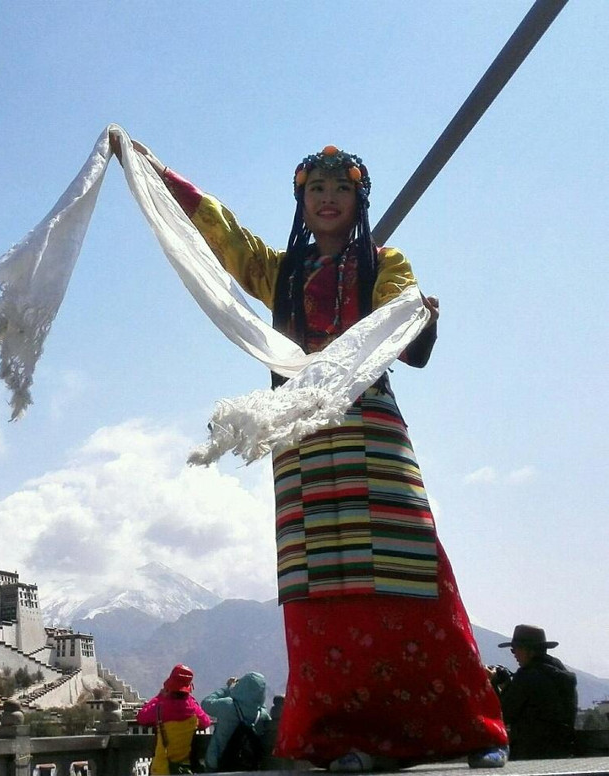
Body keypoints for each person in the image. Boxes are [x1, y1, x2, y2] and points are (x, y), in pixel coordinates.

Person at [111, 138, 509, 771]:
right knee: (321, 584)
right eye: (316, 189)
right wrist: (153, 169)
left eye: (341, 189)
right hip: (300, 443)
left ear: (358, 200)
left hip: (371, 432)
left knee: (409, 569)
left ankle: (466, 729)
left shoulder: (386, 264)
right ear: (302, 200)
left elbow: (405, 335)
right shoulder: (278, 272)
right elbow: (221, 231)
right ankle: (342, 735)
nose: (328, 199)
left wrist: (420, 317)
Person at [488, 624, 577, 760]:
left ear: (529, 650)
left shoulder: (527, 676)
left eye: (515, 649)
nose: (514, 655)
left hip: (530, 754)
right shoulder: (560, 674)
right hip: (561, 752)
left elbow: (503, 714)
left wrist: (493, 683)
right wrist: (508, 685)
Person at [136, 664, 212, 774]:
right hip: (183, 769)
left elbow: (142, 717)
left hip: (162, 769)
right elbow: (206, 722)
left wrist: (159, 697)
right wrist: (190, 699)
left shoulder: (160, 708)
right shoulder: (193, 709)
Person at [201, 673, 271, 772]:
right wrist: (257, 698)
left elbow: (206, 703)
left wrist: (228, 688)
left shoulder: (227, 705)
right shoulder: (262, 715)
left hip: (218, 762)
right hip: (246, 765)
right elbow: (257, 703)